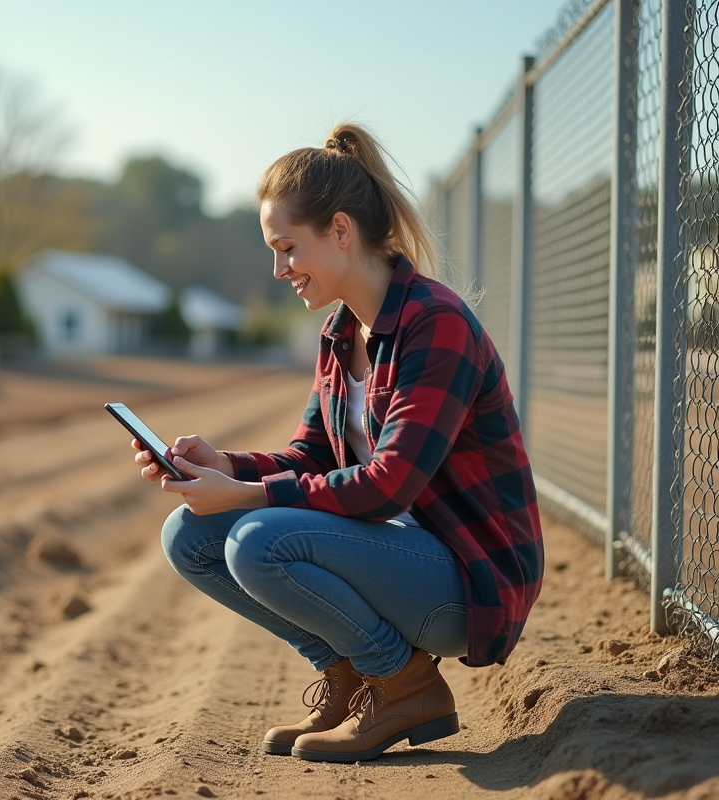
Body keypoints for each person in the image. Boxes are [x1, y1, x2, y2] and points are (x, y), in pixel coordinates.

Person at [132, 123, 543, 763]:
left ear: (342, 231)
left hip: (466, 580)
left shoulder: (436, 325)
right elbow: (315, 458)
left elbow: (389, 484)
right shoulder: (340, 332)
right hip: (396, 560)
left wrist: (243, 493)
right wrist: (225, 465)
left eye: (288, 247)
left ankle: (404, 684)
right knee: (189, 535)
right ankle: (352, 677)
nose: (278, 269)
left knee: (259, 540)